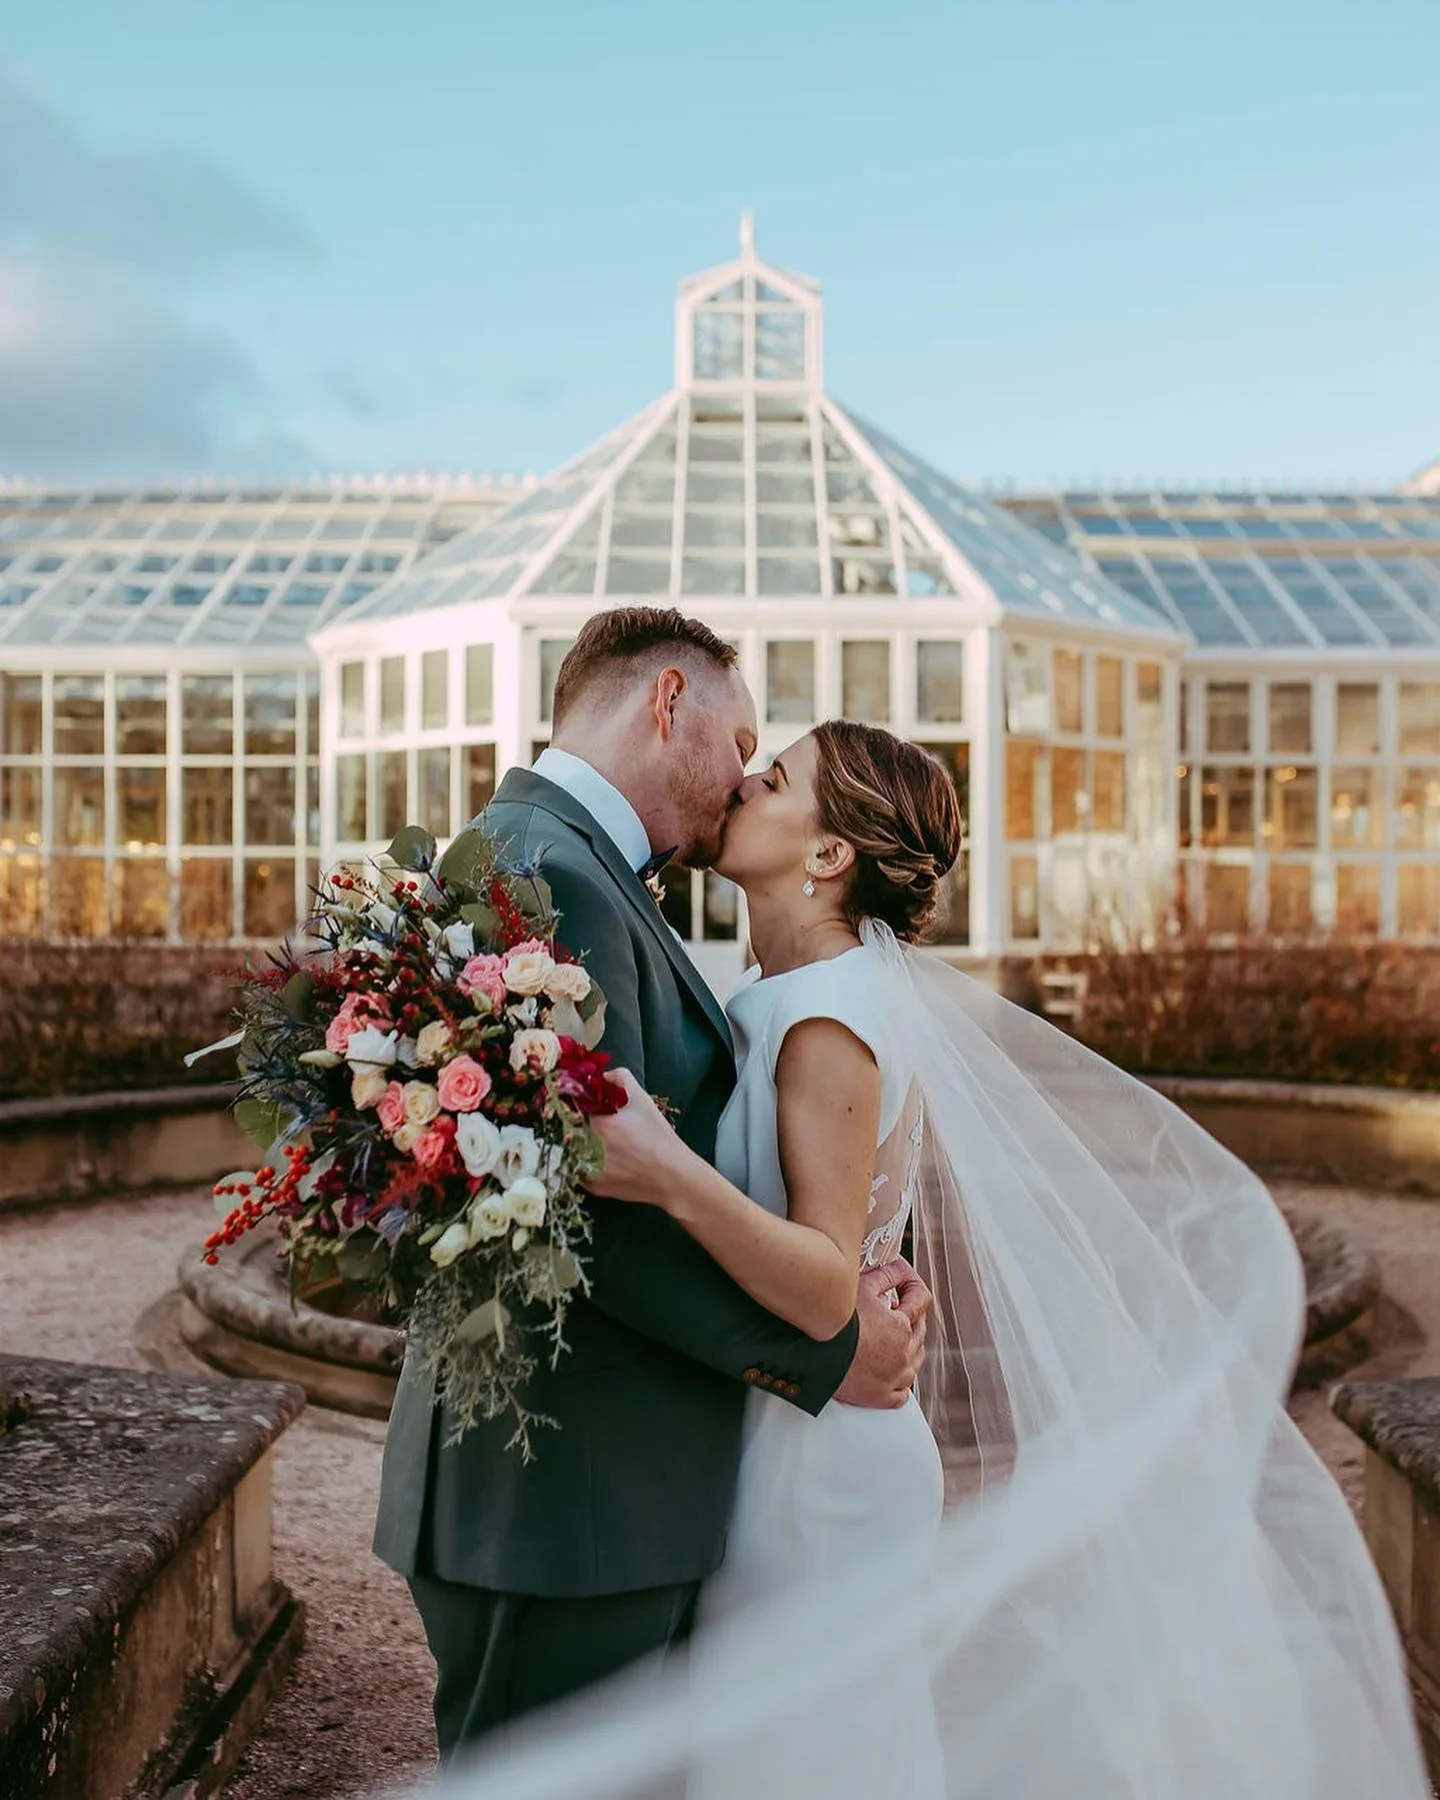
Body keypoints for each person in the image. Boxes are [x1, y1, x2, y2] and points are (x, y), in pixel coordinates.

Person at [551, 713, 1432, 1800]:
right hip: (812, 1435)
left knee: (806, 1766)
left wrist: (663, 1171)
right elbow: (868, 1236)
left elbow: (829, 1282)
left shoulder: (828, 1018)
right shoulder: (800, 996)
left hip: (821, 1471)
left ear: (829, 856)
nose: (738, 785)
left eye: (772, 780)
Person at [372, 608, 930, 1765]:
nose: (738, 783)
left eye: (766, 775)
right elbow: (589, 1217)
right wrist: (830, 1345)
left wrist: (853, 1274)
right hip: (563, 1501)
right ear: (669, 704)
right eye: (743, 749)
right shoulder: (556, 872)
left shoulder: (570, 866)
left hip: (603, 1494)